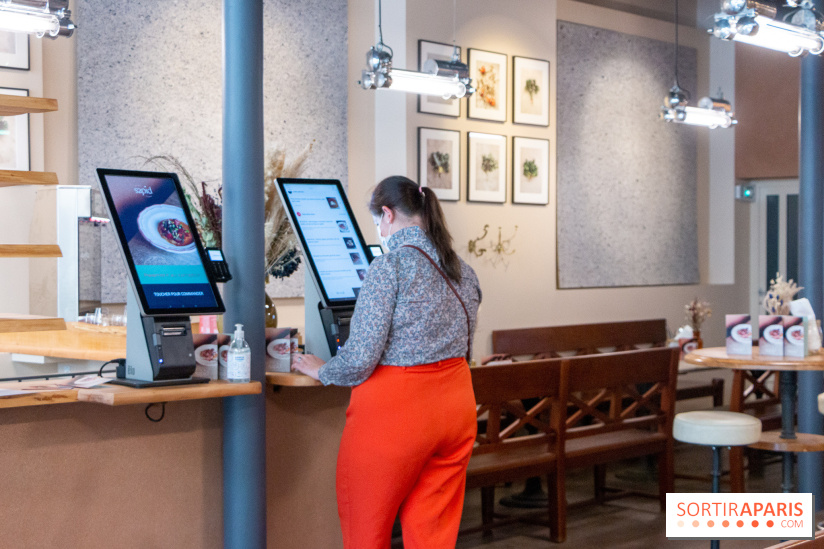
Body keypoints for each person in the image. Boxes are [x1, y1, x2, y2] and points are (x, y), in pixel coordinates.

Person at [292, 175, 482, 549]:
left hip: (399, 414)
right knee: (433, 534)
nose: (379, 229)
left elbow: (362, 357)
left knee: (366, 530)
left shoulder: (389, 268)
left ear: (387, 214)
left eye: (378, 221)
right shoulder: (463, 269)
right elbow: (466, 342)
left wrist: (322, 369)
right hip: (457, 405)